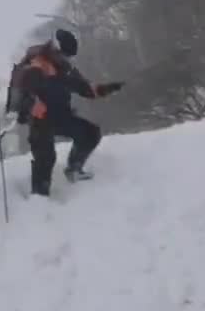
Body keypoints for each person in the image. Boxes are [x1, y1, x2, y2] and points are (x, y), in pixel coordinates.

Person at [11, 28, 122, 196]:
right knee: (46, 158)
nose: (66, 58)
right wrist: (30, 105)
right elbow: (20, 92)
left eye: (68, 56)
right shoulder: (37, 64)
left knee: (90, 133)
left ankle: (74, 169)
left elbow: (85, 88)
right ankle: (39, 197)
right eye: (64, 54)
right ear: (56, 49)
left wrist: (107, 89)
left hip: (62, 115)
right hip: (41, 120)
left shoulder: (65, 68)